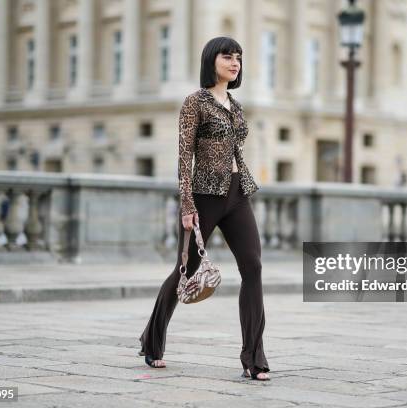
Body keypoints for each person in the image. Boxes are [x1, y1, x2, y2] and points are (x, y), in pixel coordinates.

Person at [138, 37, 271, 381]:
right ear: (211, 60)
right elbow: (184, 156)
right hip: (204, 195)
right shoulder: (194, 103)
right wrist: (186, 203)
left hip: (237, 193)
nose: (234, 62)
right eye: (227, 56)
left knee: (253, 267)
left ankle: (253, 357)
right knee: (185, 270)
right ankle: (152, 342)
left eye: (239, 57)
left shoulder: (236, 105)